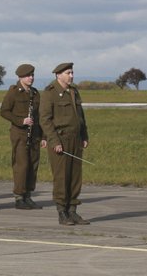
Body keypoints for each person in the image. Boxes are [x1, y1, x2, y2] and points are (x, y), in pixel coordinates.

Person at [39, 62, 90, 226]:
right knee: (61, 177)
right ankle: (62, 212)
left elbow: (80, 117)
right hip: (60, 140)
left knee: (75, 176)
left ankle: (73, 211)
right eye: (68, 73)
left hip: (75, 139)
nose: (71, 75)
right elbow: (45, 120)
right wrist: (54, 141)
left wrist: (84, 136)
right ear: (58, 75)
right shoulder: (50, 93)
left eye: (72, 72)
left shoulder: (74, 91)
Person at [0, 63, 43, 210]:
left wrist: (43, 137)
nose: (31, 78)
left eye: (32, 75)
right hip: (19, 134)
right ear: (20, 77)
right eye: (28, 76)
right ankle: (19, 196)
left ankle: (28, 195)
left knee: (33, 165)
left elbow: (40, 116)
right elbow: (4, 111)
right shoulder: (13, 92)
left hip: (35, 134)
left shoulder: (35, 93)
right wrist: (20, 120)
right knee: (21, 165)